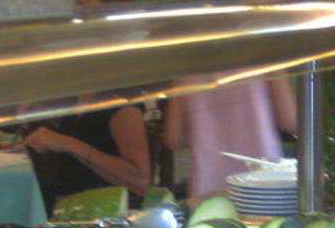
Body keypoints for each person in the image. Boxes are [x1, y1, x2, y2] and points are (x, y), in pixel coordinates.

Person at [161, 73, 297, 198]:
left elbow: (173, 139)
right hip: (264, 182)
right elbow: (290, 121)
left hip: (209, 185)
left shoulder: (185, 70)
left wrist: (204, 133)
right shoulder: (265, 59)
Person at [24, 104, 152, 209]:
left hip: (103, 210)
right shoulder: (77, 98)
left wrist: (67, 143)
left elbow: (139, 180)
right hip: (67, 202)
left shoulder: (121, 105)